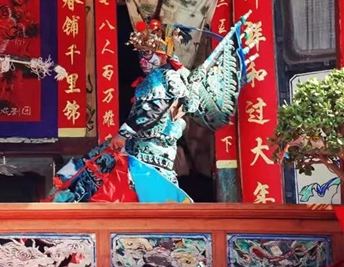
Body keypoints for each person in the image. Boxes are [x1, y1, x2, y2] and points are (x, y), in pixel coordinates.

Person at [47, 17, 251, 203]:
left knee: (98, 176)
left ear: (162, 55)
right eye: (141, 55)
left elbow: (152, 109)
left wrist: (123, 134)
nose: (142, 61)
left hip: (144, 154)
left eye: (147, 54)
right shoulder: (176, 76)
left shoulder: (162, 77)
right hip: (157, 154)